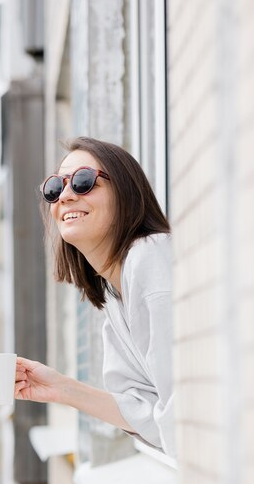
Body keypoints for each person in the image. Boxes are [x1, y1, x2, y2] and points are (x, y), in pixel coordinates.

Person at [14, 137, 175, 457]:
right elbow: (149, 418)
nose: (67, 196)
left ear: (126, 191)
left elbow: (182, 418)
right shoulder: (116, 297)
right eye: (55, 189)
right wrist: (62, 389)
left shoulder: (152, 257)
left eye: (84, 181)